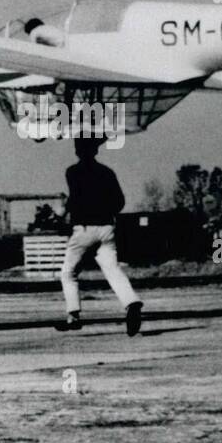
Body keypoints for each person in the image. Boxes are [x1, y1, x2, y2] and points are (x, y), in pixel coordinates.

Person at [58, 135, 144, 335]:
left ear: (77, 151)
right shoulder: (107, 172)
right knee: (112, 269)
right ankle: (131, 302)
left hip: (84, 229)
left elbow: (74, 198)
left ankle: (73, 316)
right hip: (106, 227)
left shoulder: (72, 172)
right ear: (96, 150)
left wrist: (63, 215)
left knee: (69, 273)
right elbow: (120, 202)